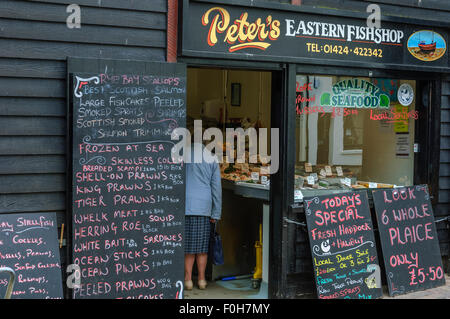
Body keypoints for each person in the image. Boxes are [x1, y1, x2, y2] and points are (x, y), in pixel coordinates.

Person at [184, 142, 222, 290]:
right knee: (202, 248)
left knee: (188, 248)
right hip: (204, 207)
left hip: (186, 206)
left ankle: (187, 280)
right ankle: (201, 280)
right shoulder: (212, 158)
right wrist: (216, 212)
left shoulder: (183, 155)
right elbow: (216, 188)